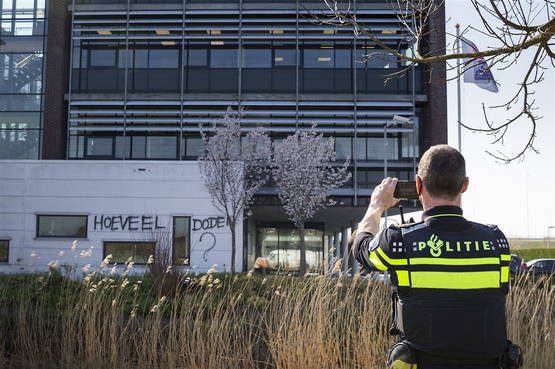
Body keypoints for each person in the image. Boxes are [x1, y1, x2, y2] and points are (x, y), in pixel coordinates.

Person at [351, 145, 519, 369]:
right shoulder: (497, 241)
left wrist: (376, 206)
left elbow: (361, 248)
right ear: (465, 185)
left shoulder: (399, 240)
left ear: (418, 185)